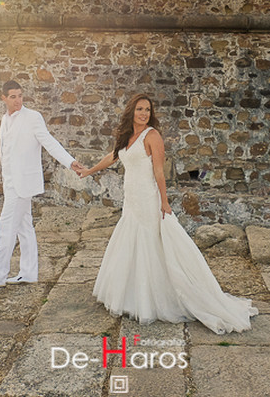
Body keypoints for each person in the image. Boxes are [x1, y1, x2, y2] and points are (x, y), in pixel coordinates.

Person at [80, 93, 257, 333]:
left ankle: (162, 298)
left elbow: (159, 172)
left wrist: (164, 201)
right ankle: (132, 294)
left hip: (147, 199)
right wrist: (89, 170)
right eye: (140, 109)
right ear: (131, 111)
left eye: (148, 110)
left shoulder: (152, 136)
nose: (144, 113)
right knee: (130, 242)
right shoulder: (126, 136)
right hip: (131, 200)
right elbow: (112, 156)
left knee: (151, 244)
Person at [0, 80, 87, 289]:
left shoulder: (33, 117)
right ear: (4, 98)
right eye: (13, 97)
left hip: (22, 183)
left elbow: (49, 142)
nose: (18, 100)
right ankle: (28, 272)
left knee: (6, 227)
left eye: (20, 95)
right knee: (24, 228)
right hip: (10, 182)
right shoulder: (4, 119)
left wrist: (70, 161)